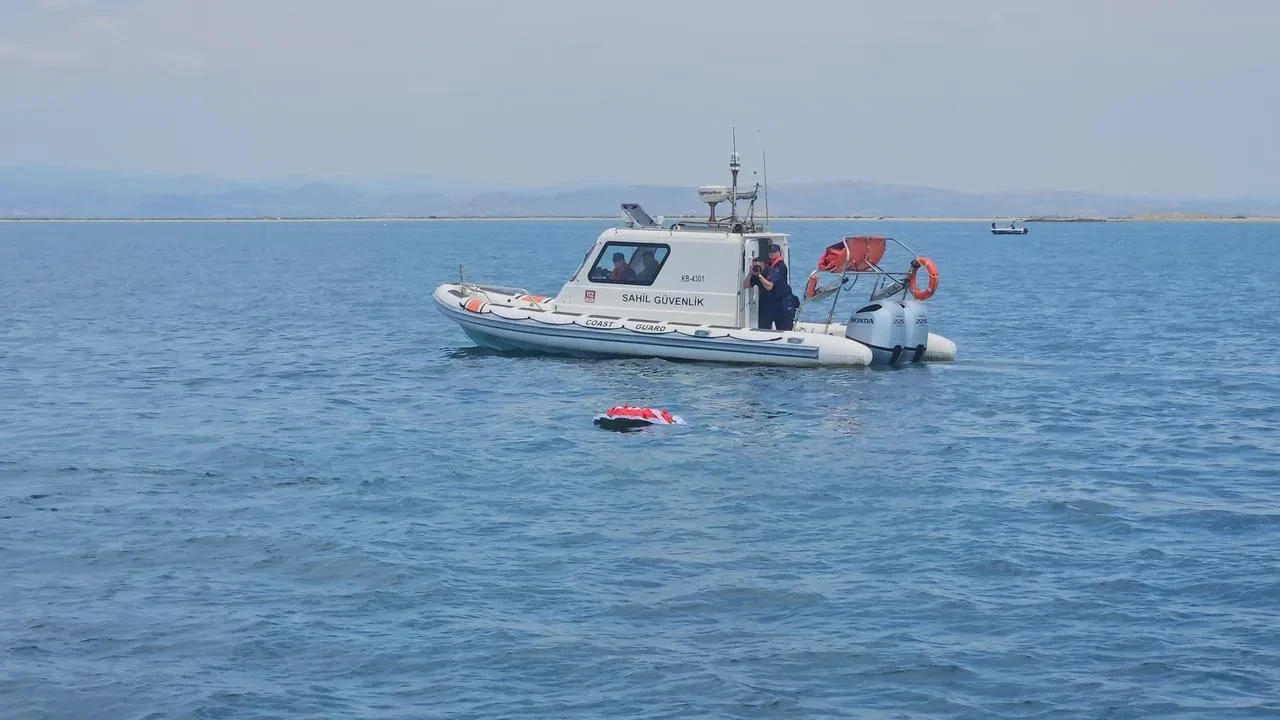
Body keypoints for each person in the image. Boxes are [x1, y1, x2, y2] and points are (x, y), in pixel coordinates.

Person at [744, 243, 798, 330]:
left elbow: (769, 287)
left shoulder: (779, 267)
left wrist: (760, 276)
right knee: (764, 328)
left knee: (784, 328)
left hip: (781, 302)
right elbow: (746, 285)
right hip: (767, 304)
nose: (772, 253)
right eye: (770, 252)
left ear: (779, 252)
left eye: (774, 251)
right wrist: (751, 273)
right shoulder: (763, 269)